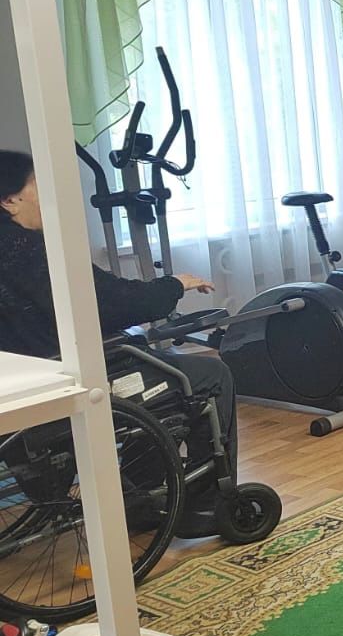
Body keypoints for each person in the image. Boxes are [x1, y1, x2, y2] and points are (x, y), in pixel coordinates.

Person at [0, 150, 238, 467]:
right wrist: (175, 284)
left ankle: (143, 489)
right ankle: (202, 496)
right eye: (38, 184)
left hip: (18, 395)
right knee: (211, 376)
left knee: (153, 366)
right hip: (67, 386)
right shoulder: (29, 251)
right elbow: (113, 303)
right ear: (10, 200)